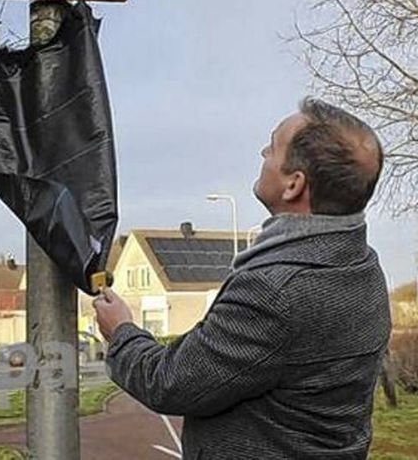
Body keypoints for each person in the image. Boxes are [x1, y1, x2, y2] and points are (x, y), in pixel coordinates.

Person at [93, 98, 391, 459]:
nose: (263, 151)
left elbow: (171, 382)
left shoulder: (274, 291)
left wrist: (121, 332)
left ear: (294, 185)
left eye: (273, 146)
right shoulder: (363, 267)